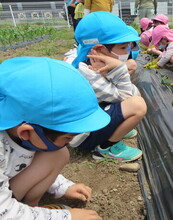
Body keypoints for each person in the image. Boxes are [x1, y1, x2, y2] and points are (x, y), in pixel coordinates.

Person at [0, 57, 108, 219]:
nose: (70, 142)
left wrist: (62, 187)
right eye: (67, 137)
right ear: (26, 132)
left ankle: (30, 209)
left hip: (7, 185)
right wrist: (66, 216)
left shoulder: (20, 125)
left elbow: (25, 160)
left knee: (58, 154)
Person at [71, 11, 147, 161]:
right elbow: (130, 97)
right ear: (99, 50)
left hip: (93, 120)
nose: (127, 52)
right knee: (138, 105)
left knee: (131, 98)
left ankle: (113, 130)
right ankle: (106, 147)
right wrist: (120, 68)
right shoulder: (88, 75)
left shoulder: (91, 66)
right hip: (84, 137)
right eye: (123, 47)